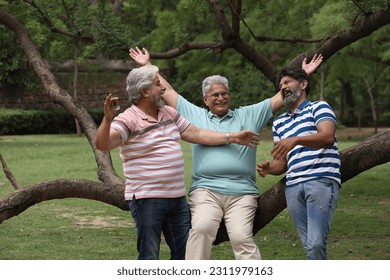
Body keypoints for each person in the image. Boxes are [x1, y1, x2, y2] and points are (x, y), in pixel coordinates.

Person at [129, 47, 323, 260]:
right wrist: (147, 65)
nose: (221, 98)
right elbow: (166, 90)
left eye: (224, 93)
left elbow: (281, 95)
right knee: (201, 229)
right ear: (205, 99)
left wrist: (304, 74)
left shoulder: (250, 114)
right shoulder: (194, 114)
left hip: (242, 193)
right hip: (206, 192)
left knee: (241, 237)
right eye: (215, 95)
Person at [94, 64, 260, 260]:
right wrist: (107, 119)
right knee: (149, 255)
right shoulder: (128, 119)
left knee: (183, 255)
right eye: (158, 84)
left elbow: (196, 133)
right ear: (145, 91)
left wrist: (232, 137)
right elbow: (103, 144)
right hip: (147, 199)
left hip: (177, 199)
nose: (163, 88)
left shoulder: (169, 114)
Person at [256, 67, 341, 260]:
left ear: (303, 84)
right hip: (293, 187)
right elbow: (282, 164)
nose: (283, 87)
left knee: (316, 243)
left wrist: (296, 140)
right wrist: (270, 169)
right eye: (280, 85)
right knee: (310, 244)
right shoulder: (279, 123)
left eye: (287, 82)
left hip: (320, 181)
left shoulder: (319, 107)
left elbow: (327, 137)